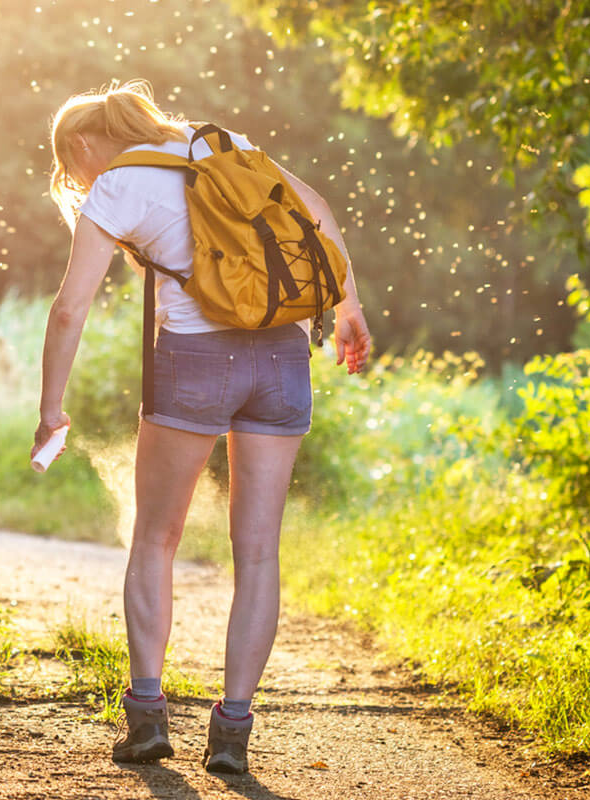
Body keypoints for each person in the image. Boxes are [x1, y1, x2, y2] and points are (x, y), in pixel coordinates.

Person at [32, 80, 371, 775]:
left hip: (193, 361)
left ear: (80, 146)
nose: (77, 181)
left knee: (156, 536)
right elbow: (318, 210)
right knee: (258, 553)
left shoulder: (119, 184)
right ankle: (233, 732)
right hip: (281, 357)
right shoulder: (224, 145)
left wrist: (50, 407)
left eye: (72, 168)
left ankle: (149, 719)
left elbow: (70, 309)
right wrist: (349, 310)